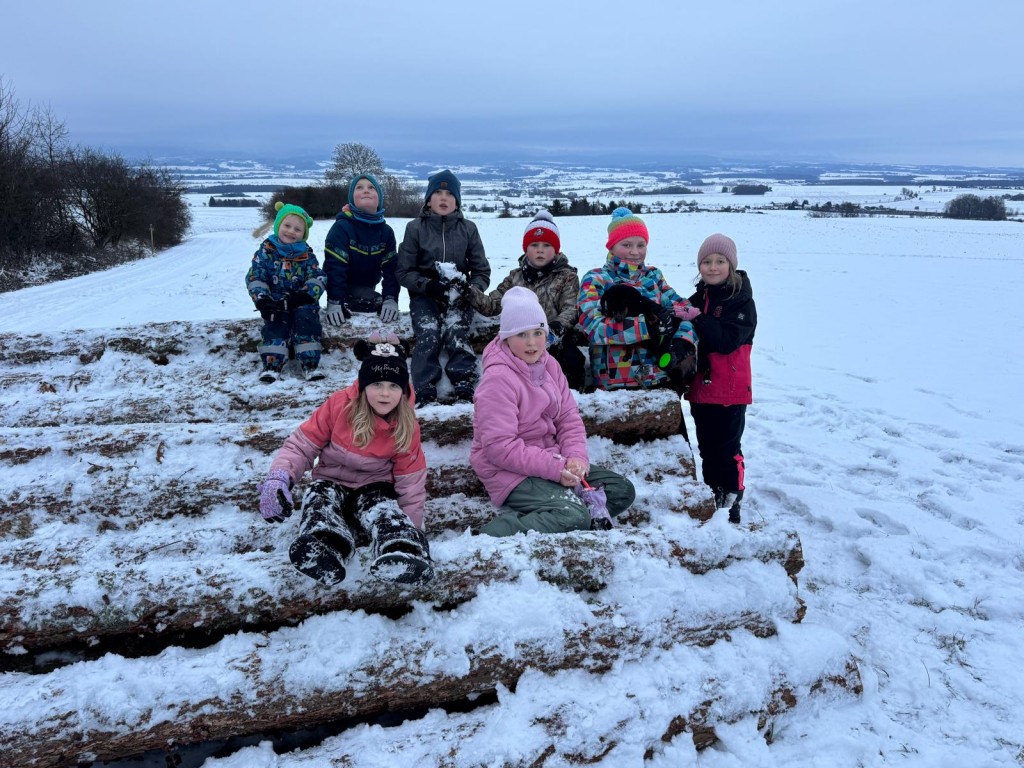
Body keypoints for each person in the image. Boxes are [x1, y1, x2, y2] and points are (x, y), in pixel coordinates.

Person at [257, 332, 433, 584]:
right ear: (363, 385)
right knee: (318, 499)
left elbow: (410, 480)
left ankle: (402, 548)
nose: (385, 393)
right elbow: (301, 446)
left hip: (374, 487)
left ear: (403, 389)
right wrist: (279, 477)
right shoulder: (339, 406)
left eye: (394, 386)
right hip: (332, 482)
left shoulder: (406, 424)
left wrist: (413, 527)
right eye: (376, 384)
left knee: (385, 510)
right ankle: (325, 546)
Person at [470, 287, 636, 536]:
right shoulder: (498, 380)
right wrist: (556, 469)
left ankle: (566, 513)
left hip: (552, 460)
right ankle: (491, 534)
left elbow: (568, 418)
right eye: (521, 334)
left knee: (621, 490)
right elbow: (499, 448)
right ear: (506, 338)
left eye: (538, 333)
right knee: (573, 515)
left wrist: (576, 458)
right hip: (510, 472)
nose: (531, 342)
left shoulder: (550, 365)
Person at [577, 207, 700, 394]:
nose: (635, 252)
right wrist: (647, 326)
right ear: (611, 246)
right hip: (614, 385)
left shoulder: (653, 276)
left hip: (659, 380)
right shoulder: (596, 279)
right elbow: (592, 327)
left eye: (641, 245)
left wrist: (683, 341)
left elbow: (685, 310)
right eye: (626, 245)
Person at [395, 169, 490, 406]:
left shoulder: (468, 229)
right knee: (428, 333)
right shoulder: (415, 228)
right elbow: (404, 272)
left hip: (460, 295)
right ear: (429, 199)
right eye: (437, 193)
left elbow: (481, 271)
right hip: (425, 294)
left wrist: (471, 291)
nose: (444, 198)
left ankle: (464, 382)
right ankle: (425, 388)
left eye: (449, 194)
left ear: (457, 201)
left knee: (456, 330)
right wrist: (428, 286)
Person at [464, 210, 586, 390]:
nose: (540, 250)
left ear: (556, 249)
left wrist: (555, 329)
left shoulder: (567, 277)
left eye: (546, 245)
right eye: (534, 245)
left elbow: (570, 308)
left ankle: (571, 397)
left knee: (572, 360)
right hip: (519, 336)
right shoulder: (515, 277)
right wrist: (468, 291)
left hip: (555, 336)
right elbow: (493, 305)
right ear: (526, 249)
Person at [684, 234, 756, 524]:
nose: (712, 267)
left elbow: (726, 341)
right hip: (701, 389)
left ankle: (732, 499)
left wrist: (697, 318)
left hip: (730, 390)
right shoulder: (699, 297)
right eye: (706, 262)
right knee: (707, 449)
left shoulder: (741, 301)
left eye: (720, 261)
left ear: (731, 265)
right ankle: (714, 493)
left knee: (727, 450)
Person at [246, 202, 326, 383]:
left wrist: (306, 295)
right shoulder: (265, 253)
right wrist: (263, 301)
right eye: (287, 226)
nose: (291, 231)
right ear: (278, 226)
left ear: (303, 234)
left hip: (301, 301)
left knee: (307, 321)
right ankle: (272, 365)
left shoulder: (307, 255)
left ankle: (310, 364)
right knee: (275, 324)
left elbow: (318, 276)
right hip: (275, 301)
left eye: (298, 229)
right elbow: (255, 277)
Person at [322, 174, 400, 326]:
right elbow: (335, 267)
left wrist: (390, 298)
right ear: (352, 199)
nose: (366, 190)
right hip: (344, 289)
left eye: (371, 188)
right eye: (359, 188)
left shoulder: (386, 232)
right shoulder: (342, 228)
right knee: (375, 302)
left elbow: (391, 270)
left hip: (368, 288)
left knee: (379, 304)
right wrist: (335, 301)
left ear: (379, 199)